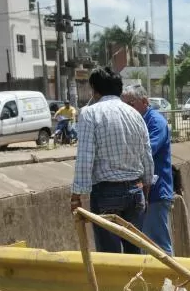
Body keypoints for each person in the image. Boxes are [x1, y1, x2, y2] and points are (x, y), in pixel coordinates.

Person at [70, 67, 153, 254]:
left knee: (110, 255)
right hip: (135, 191)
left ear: (95, 90)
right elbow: (147, 156)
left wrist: (76, 196)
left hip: (106, 192)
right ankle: (135, 284)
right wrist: (145, 191)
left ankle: (114, 285)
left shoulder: (90, 113)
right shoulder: (135, 115)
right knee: (135, 255)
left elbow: (85, 157)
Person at [121, 85, 174, 255]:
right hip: (140, 192)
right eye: (124, 105)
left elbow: (148, 150)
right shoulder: (134, 122)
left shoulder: (156, 122)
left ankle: (171, 280)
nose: (127, 109)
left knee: (158, 244)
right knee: (143, 245)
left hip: (156, 192)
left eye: (131, 104)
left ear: (144, 102)